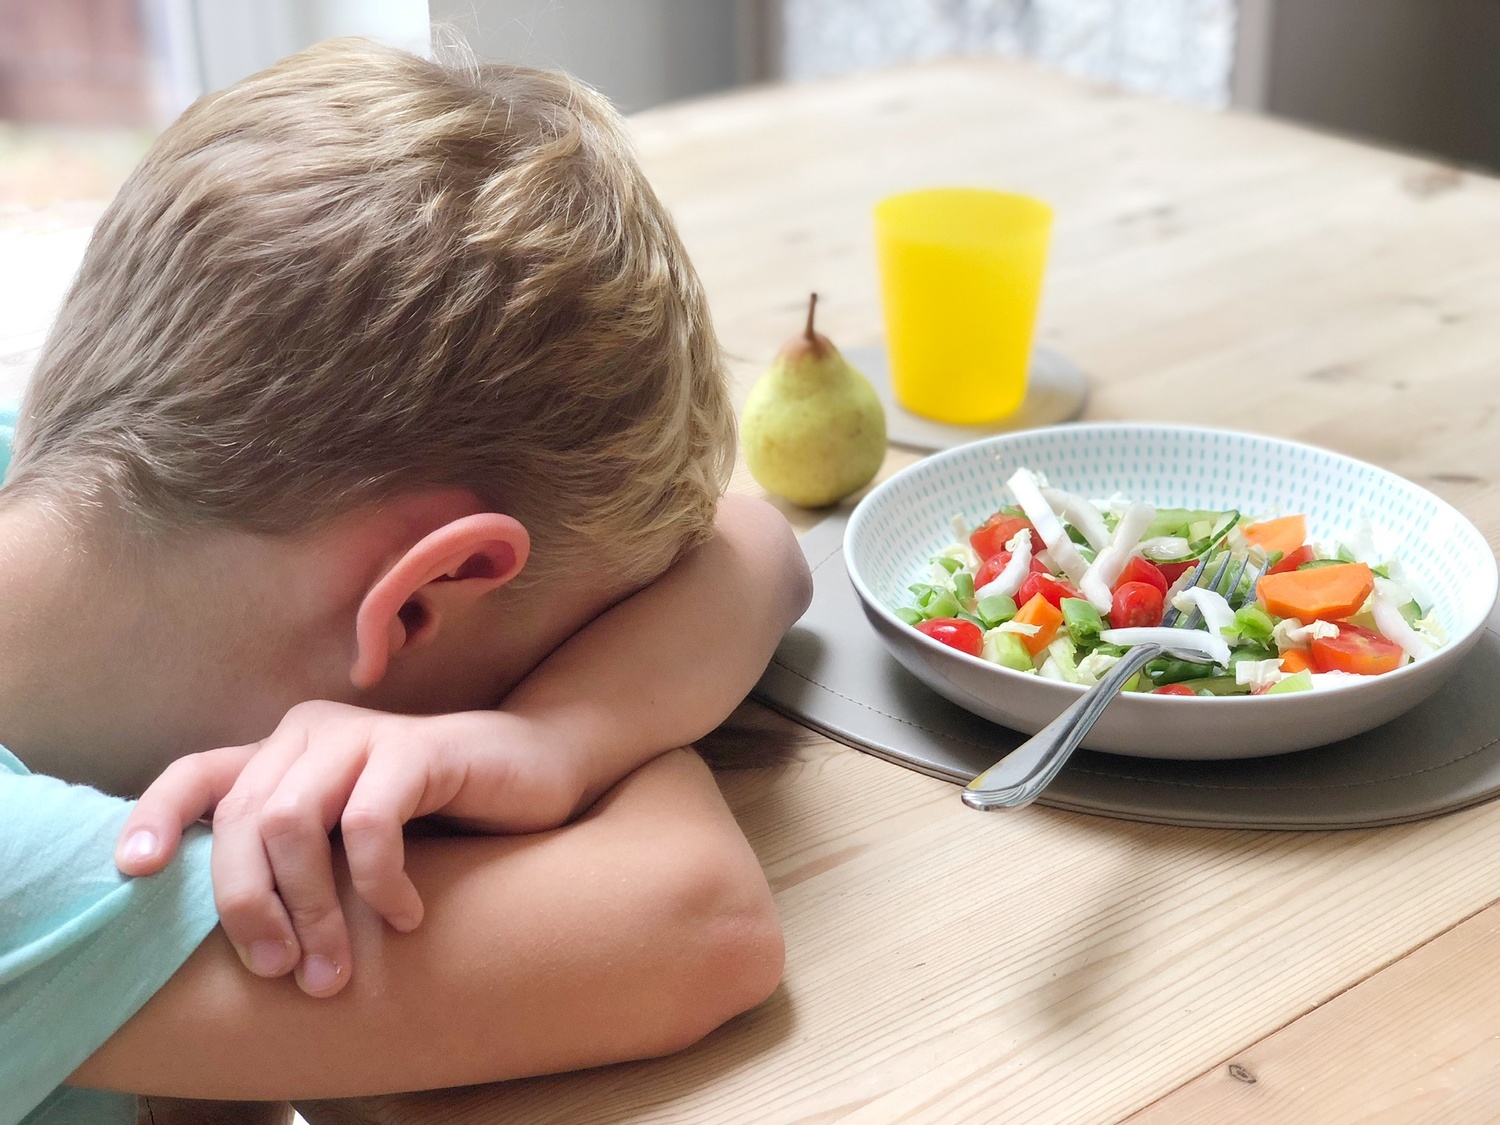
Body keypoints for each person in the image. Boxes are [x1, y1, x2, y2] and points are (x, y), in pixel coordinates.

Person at [0, 39, 812, 1124]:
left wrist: (546, 742)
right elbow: (700, 924)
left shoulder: (79, 480)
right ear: (423, 597)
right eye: (532, 667)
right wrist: (599, 733)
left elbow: (753, 546)